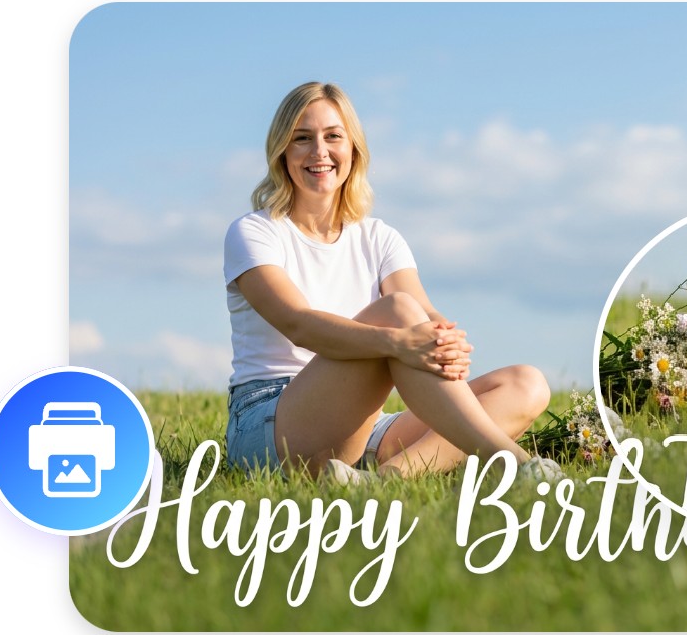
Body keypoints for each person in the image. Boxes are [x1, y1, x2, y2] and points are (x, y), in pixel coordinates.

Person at [223, 81, 560, 483]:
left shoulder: (379, 237)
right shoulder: (254, 233)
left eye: (333, 136)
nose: (319, 152)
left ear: (354, 149)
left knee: (526, 384)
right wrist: (397, 342)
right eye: (302, 138)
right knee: (396, 312)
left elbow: (422, 311)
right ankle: (513, 463)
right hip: (271, 421)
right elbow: (298, 324)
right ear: (282, 150)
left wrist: (444, 341)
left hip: (364, 423)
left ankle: (383, 479)